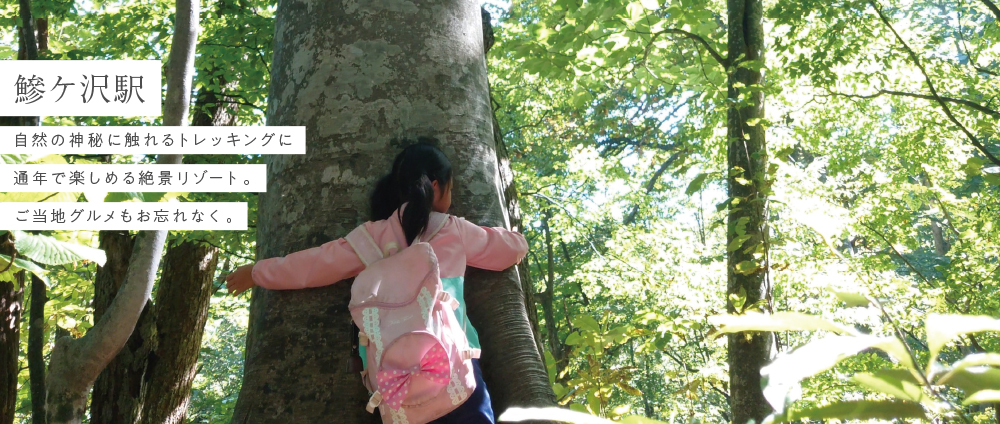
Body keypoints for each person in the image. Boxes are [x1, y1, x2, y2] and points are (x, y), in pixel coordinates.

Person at [223, 138, 528, 424]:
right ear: (436, 187)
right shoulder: (452, 229)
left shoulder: (371, 237)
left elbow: (314, 264)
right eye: (451, 188)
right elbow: (510, 250)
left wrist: (256, 272)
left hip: (396, 383)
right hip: (456, 369)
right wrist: (517, 236)